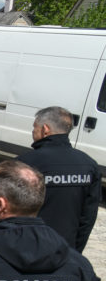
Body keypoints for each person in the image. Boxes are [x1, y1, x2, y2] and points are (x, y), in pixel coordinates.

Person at [15, 106, 100, 252]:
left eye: (34, 127)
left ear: (45, 129)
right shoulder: (89, 165)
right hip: (64, 251)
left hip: (25, 248)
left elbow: (5, 209)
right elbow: (88, 218)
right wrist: (74, 253)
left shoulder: (24, 163)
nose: (33, 131)